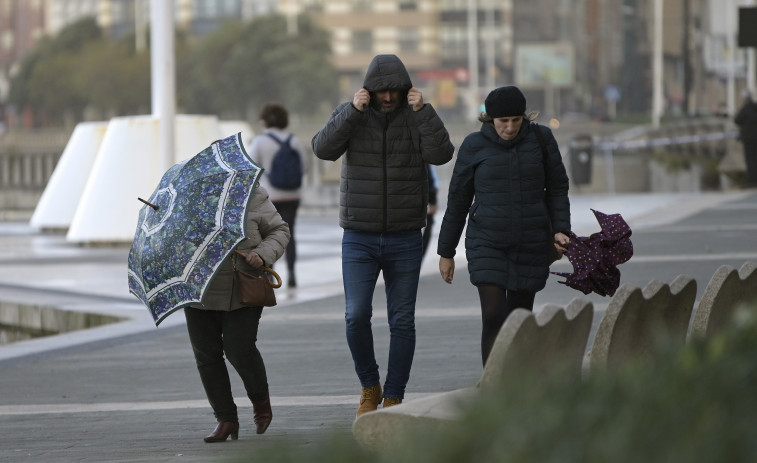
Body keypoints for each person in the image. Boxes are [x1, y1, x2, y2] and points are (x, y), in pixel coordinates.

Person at [312, 54, 454, 416]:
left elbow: (441, 153)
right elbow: (322, 149)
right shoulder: (352, 113)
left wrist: (424, 111)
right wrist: (352, 113)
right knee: (355, 315)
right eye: (381, 91)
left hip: (406, 235)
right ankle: (369, 385)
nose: (388, 97)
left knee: (401, 320)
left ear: (404, 87)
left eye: (393, 90)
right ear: (369, 90)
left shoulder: (415, 114)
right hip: (359, 234)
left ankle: (394, 395)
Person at [436, 86, 571, 366]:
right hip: (487, 241)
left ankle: (516, 385)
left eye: (515, 120)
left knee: (520, 317)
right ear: (489, 119)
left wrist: (561, 229)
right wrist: (446, 251)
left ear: (524, 117)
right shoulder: (474, 146)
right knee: (494, 312)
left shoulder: (541, 139)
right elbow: (458, 200)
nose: (509, 128)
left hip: (531, 239)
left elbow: (557, 187)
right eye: (503, 122)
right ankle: (492, 387)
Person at [185, 185, 290, 442]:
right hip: (198, 288)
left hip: (244, 285)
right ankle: (226, 419)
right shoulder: (190, 197)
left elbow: (279, 230)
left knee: (239, 349)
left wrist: (262, 254)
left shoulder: (252, 193)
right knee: (206, 355)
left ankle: (261, 404)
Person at [249, 103, 309, 288]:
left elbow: (251, 169)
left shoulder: (259, 142)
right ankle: (291, 273)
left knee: (268, 237)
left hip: (269, 198)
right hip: (292, 196)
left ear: (264, 121)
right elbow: (304, 167)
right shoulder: (294, 141)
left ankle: (269, 274)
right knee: (289, 234)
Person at [734, 93, 757, 187]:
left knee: (750, 159)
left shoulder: (746, 108)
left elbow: (737, 120)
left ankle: (752, 179)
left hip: (748, 138)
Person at [421, 163, 439, 260]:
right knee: (428, 227)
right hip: (426, 195)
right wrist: (433, 201)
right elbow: (429, 177)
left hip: (427, 194)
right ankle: (419, 257)